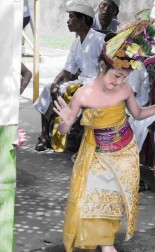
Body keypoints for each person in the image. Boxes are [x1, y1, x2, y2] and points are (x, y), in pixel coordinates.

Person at [53, 20, 155, 252]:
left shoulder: (125, 89)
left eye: (124, 77)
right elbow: (63, 130)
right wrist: (65, 123)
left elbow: (138, 114)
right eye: (116, 75)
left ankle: (108, 249)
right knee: (89, 197)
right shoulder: (82, 94)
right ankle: (102, 245)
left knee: (108, 200)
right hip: (96, 151)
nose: (119, 82)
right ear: (102, 66)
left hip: (124, 151)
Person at [33, 1, 105, 151]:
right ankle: (45, 136)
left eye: (72, 17)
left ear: (83, 20)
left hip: (96, 85)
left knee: (74, 91)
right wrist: (55, 83)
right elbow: (67, 70)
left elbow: (108, 68)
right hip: (80, 82)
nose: (68, 21)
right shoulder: (76, 44)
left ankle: (71, 135)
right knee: (48, 89)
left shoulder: (99, 40)